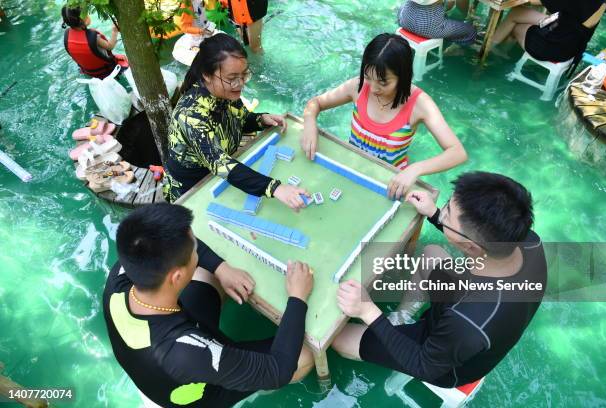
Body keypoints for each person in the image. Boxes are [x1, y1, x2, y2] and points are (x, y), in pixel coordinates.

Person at [331, 171, 547, 388]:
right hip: (465, 310)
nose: (442, 211)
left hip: (443, 364)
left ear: (472, 247)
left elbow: (423, 365)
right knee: (431, 254)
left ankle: (397, 332)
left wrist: (368, 311)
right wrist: (433, 213)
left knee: (340, 339)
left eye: (447, 213)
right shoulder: (528, 241)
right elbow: (472, 241)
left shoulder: (468, 321)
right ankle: (400, 317)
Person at [103, 203, 315, 407]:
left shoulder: (125, 271)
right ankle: (256, 388)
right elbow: (279, 370)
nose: (197, 251)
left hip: (168, 351)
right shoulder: (186, 354)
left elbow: (187, 249)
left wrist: (222, 268)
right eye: (194, 249)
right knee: (303, 357)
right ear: (176, 277)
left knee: (206, 271)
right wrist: (297, 297)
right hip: (200, 392)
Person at [301, 33, 467, 200]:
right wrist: (309, 123)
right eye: (368, 77)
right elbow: (316, 103)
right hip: (350, 168)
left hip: (390, 183)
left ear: (402, 76)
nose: (373, 88)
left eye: (383, 82)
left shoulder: (420, 104)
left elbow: (457, 152)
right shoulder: (358, 86)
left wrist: (415, 169)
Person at [163, 33, 309, 209]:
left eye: (244, 75)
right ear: (207, 75)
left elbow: (238, 118)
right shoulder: (190, 116)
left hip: (219, 173)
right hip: (192, 187)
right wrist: (275, 188)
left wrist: (260, 119)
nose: (240, 84)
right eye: (232, 78)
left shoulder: (224, 91)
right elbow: (222, 164)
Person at [491, 0, 606, 63]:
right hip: (574, 47)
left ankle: (491, 48)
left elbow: (535, 1)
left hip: (552, 47)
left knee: (515, 19)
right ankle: (502, 49)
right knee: (519, 13)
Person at [61, 6, 128, 79]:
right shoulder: (94, 37)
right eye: (87, 14)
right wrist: (114, 31)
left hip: (88, 72)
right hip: (107, 71)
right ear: (84, 20)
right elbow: (110, 46)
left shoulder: (67, 35)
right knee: (125, 58)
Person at [397, 0, 477, 47]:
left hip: (405, 18)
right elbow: (453, 3)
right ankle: (456, 48)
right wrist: (467, 16)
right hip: (427, 27)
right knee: (471, 31)